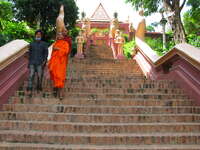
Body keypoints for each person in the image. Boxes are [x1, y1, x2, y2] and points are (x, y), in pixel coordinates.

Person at [48, 32, 70, 100]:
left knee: (60, 77)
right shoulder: (55, 43)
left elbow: (66, 51)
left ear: (63, 36)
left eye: (60, 35)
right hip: (54, 62)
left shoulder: (65, 43)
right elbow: (52, 53)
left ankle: (60, 93)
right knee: (54, 75)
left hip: (61, 63)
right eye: (58, 35)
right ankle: (55, 88)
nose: (59, 36)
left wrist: (59, 49)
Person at [27, 29, 48, 97]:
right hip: (32, 62)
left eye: (40, 34)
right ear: (35, 35)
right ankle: (29, 89)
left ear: (41, 36)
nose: (38, 35)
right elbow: (29, 53)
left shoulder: (44, 44)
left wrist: (44, 61)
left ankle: (39, 86)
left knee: (39, 76)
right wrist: (29, 62)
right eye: (37, 34)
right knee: (31, 75)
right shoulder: (31, 44)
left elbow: (46, 53)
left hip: (40, 63)